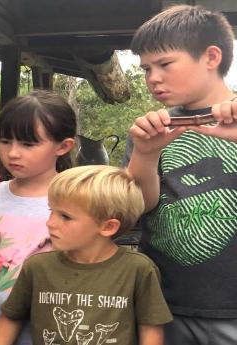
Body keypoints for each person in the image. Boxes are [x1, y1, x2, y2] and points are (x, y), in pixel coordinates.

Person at [124, 5, 237, 344]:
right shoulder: (152, 130)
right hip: (161, 306)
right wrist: (145, 154)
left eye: (165, 64)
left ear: (211, 56)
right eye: (146, 68)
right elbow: (135, 208)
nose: (152, 78)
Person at [0, 165, 173, 345]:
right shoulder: (37, 266)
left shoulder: (138, 269)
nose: (50, 223)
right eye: (51, 211)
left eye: (65, 216)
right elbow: (11, 317)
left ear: (107, 227)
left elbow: (151, 329)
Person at [0, 90, 77, 344]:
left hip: (59, 332)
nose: (13, 152)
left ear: (63, 146)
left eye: (28, 144)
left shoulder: (80, 200)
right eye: (5, 141)